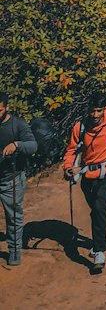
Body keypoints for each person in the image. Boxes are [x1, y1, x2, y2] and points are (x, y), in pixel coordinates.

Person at [62, 91, 106, 271]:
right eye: (92, 111)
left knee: (100, 206)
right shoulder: (80, 126)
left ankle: (99, 251)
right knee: (95, 209)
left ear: (105, 109)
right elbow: (71, 150)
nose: (95, 115)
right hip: (87, 175)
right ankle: (101, 237)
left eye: (98, 111)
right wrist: (68, 167)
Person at [0, 92, 37, 268]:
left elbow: (33, 145)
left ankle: (14, 249)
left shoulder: (18, 124)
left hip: (12, 179)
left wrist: (17, 145)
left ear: (6, 108)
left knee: (13, 215)